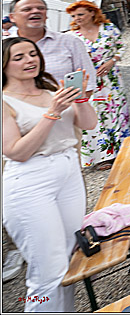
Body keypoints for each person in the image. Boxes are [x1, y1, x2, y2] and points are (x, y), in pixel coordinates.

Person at [3, 37, 98, 312]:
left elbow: (89, 124)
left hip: (68, 173)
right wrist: (53, 112)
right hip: (31, 183)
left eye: (33, 54)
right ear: (4, 64)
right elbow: (16, 151)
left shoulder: (50, 88)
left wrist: (79, 99)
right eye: (18, 57)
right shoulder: (5, 100)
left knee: (69, 259)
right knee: (48, 271)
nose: (29, 60)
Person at [66, 0, 129, 170]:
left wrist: (112, 61)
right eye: (73, 16)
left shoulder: (108, 29)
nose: (77, 18)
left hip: (111, 80)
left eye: (80, 14)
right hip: (87, 82)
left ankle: (122, 150)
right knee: (95, 117)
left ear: (92, 13)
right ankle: (102, 156)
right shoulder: (71, 36)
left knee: (116, 112)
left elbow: (121, 47)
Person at [9, 0, 96, 88]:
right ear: (12, 17)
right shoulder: (5, 46)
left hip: (68, 101)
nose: (36, 11)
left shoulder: (70, 42)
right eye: (27, 9)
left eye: (41, 8)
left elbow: (88, 81)